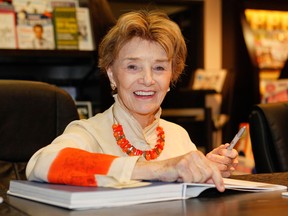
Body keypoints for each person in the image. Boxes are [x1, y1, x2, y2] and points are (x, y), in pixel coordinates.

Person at [26, 10, 238, 192]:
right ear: (111, 74)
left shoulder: (179, 136)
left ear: (171, 76)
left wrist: (206, 169)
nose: (147, 79)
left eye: (159, 67)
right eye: (132, 67)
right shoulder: (89, 132)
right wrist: (158, 169)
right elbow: (40, 164)